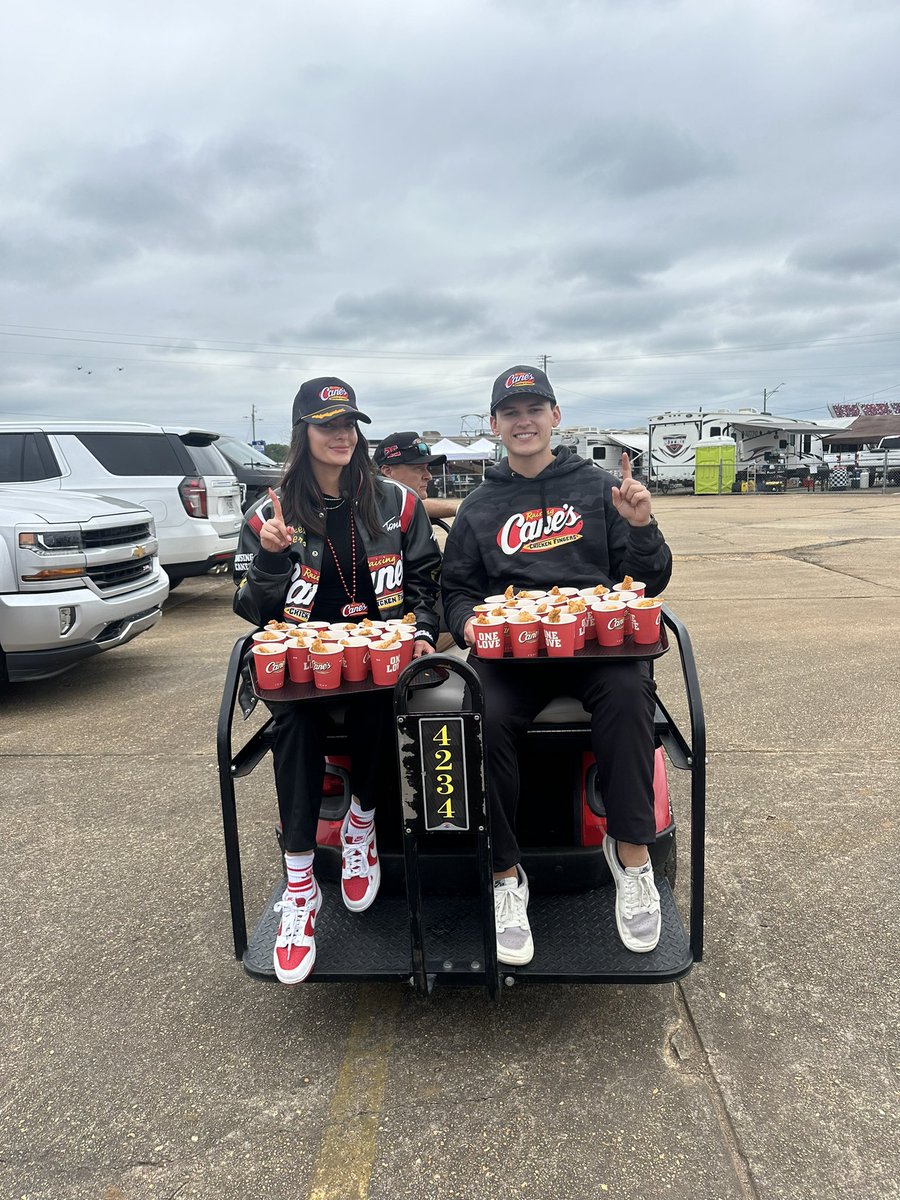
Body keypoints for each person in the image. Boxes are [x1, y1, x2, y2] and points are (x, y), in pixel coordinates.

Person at [440, 365, 673, 967]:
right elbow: (458, 590)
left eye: (534, 409)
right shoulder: (479, 506)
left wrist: (642, 527)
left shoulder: (599, 488)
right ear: (494, 426)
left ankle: (632, 859)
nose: (524, 421)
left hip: (594, 644)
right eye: (511, 412)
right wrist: (467, 623)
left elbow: (646, 582)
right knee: (478, 714)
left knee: (629, 694)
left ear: (555, 417)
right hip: (514, 653)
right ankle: (504, 875)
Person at [234, 377, 441, 984]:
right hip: (303, 665)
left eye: (350, 424)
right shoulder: (269, 513)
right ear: (303, 434)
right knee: (293, 721)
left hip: (377, 657)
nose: (343, 435)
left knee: (385, 695)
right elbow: (251, 608)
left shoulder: (396, 505)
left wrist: (423, 630)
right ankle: (300, 882)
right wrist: (271, 558)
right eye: (328, 425)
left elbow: (427, 581)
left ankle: (362, 821)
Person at [373, 431, 461, 520]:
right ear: (388, 471)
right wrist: (461, 509)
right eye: (418, 468)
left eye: (427, 468)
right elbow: (409, 504)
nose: (429, 476)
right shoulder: (370, 503)